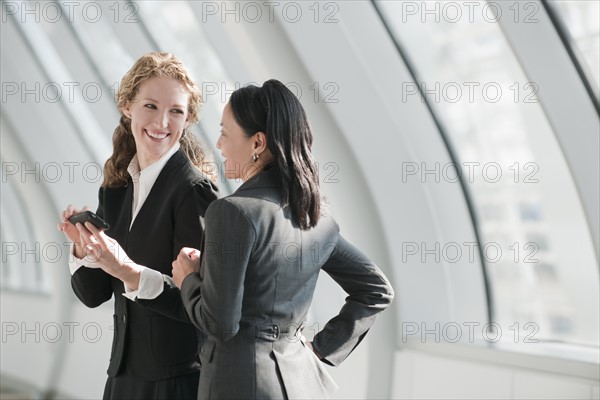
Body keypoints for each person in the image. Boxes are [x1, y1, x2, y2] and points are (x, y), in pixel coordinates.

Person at [171, 79, 395, 399]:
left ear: (257, 143)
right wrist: (321, 349)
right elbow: (376, 289)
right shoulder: (316, 216)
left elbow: (220, 324)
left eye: (224, 133)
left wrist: (188, 280)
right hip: (299, 382)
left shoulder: (231, 212)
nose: (219, 145)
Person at [57, 52, 218, 400]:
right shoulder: (115, 191)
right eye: (150, 106)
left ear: (188, 118)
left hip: (176, 380)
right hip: (123, 374)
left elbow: (202, 306)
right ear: (128, 106)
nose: (162, 121)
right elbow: (94, 295)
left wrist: (127, 270)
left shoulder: (194, 192)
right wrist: (84, 251)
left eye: (176, 110)